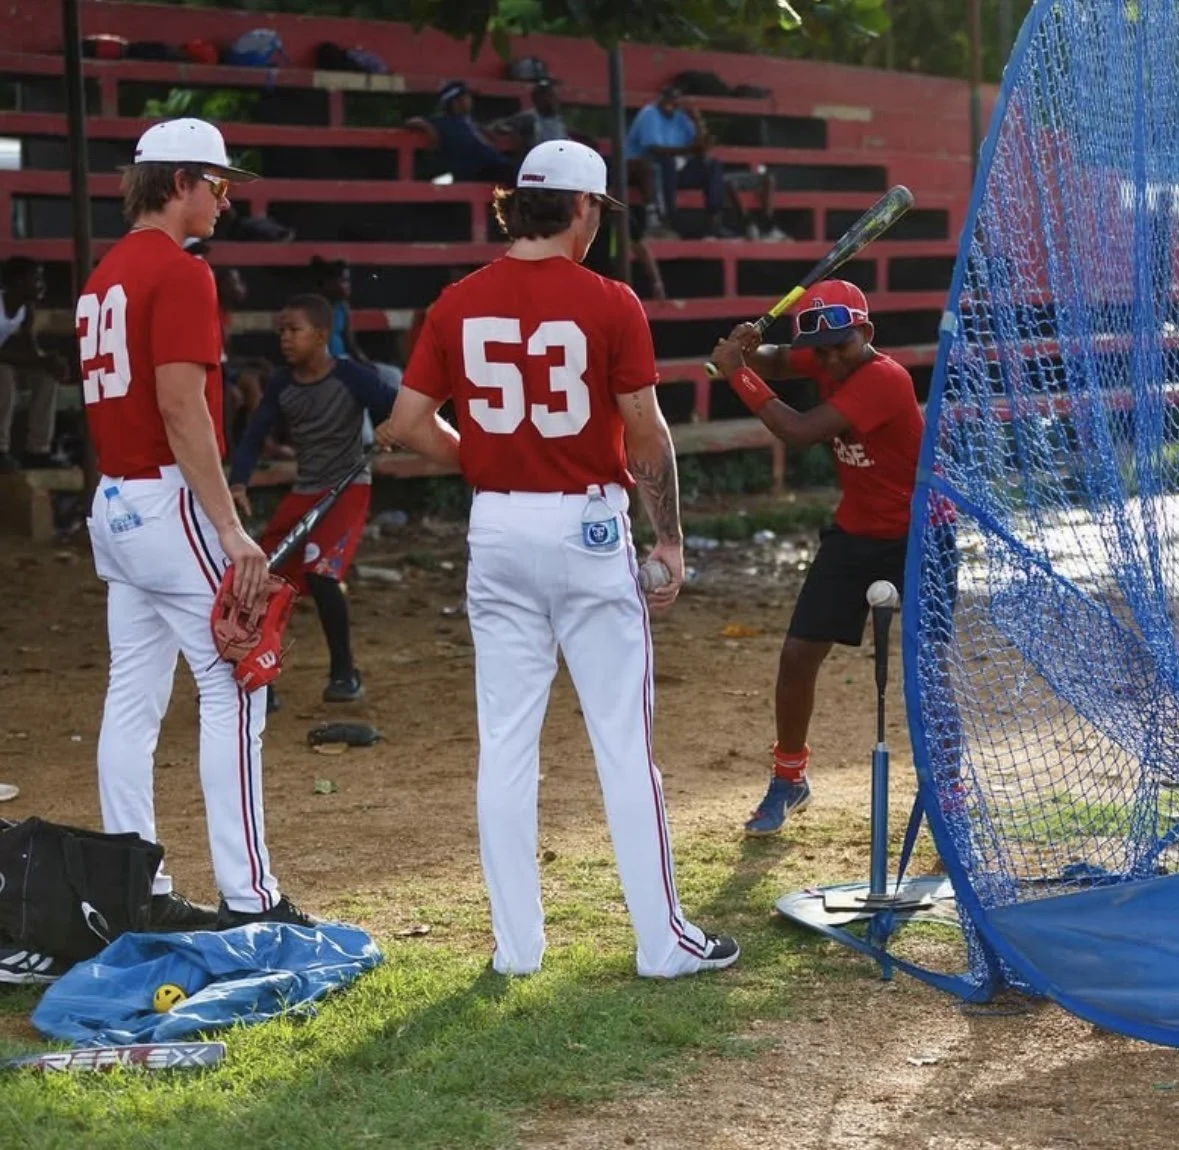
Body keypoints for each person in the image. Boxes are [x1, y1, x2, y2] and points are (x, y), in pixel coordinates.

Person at [375, 138, 739, 979]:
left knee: (505, 744)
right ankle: (661, 943)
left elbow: (404, 422)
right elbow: (644, 433)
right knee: (621, 744)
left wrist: (487, 460)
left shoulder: (458, 301)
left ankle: (517, 949)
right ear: (581, 207)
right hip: (587, 525)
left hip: (497, 527)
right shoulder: (609, 300)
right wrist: (669, 538)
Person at [78, 116, 316, 928]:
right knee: (239, 689)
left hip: (114, 500)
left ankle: (130, 888)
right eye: (217, 184)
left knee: (132, 699)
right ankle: (252, 898)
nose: (224, 199)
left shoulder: (105, 271)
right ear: (180, 182)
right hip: (165, 499)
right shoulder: (181, 273)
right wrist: (231, 528)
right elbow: (182, 409)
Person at [709, 280, 928, 836]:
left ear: (867, 334)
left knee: (931, 671)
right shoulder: (828, 353)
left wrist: (738, 372)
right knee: (798, 656)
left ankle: (945, 788)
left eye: (841, 346)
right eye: (823, 349)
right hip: (856, 533)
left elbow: (799, 431)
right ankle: (789, 779)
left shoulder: (884, 378)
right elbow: (783, 359)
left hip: (921, 535)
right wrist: (748, 349)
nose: (831, 358)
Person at [229, 294, 396, 705]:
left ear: (322, 335)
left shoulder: (352, 377)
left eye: (294, 331)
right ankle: (260, 678)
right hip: (305, 490)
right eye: (280, 331)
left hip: (347, 488)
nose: (284, 339)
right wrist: (238, 483)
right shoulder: (282, 385)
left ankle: (345, 673)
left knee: (322, 573)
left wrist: (393, 428)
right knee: (261, 578)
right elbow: (254, 434)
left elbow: (394, 407)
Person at [0, 256, 67, 472]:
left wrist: (49, 362)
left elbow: (29, 349)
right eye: (36, 279)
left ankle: (37, 450)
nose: (42, 285)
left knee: (46, 379)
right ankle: (1, 449)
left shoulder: (25, 310)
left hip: (7, 364)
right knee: (4, 375)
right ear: (19, 282)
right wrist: (41, 360)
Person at [405, 79, 518, 184]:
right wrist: (428, 127)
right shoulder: (443, 122)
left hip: (495, 166)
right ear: (455, 102)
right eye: (466, 97)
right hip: (479, 170)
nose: (470, 100)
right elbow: (411, 121)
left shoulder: (469, 122)